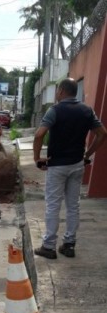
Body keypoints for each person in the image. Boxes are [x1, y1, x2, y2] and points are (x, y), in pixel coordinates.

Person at [33, 77, 107, 259]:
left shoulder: (55, 110)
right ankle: (69, 244)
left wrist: (37, 159)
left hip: (57, 165)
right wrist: (87, 155)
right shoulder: (87, 111)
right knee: (73, 206)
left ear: (62, 91)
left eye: (58, 90)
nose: (57, 94)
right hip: (77, 164)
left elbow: (39, 134)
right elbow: (102, 134)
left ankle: (49, 246)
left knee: (53, 205)